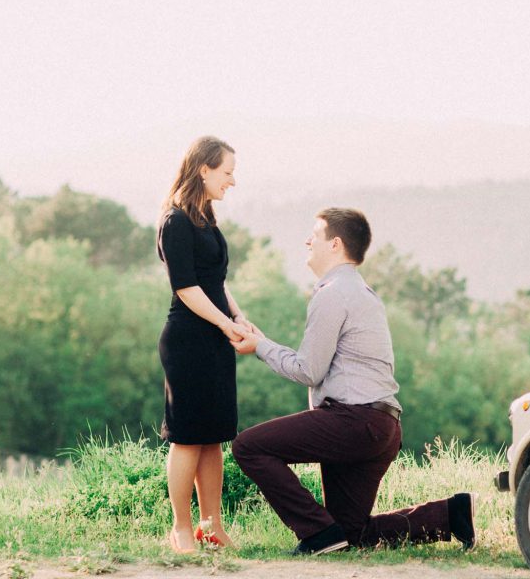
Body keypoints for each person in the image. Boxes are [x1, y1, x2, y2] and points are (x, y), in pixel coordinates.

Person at [230, 207, 475, 555]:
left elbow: (308, 371)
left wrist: (260, 346)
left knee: (249, 447)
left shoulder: (332, 293)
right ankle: (450, 515)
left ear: (335, 244)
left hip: (353, 422)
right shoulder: (360, 291)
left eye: (315, 235)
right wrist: (263, 342)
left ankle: (317, 532)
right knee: (350, 533)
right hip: (382, 425)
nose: (307, 241)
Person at [157, 136, 250, 553]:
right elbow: (187, 288)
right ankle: (180, 528)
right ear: (204, 169)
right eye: (227, 172)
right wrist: (225, 324)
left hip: (214, 339)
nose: (232, 180)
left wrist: (238, 317)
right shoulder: (175, 221)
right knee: (188, 437)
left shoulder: (205, 217)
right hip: (187, 342)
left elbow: (215, 282)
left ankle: (211, 526)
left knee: (214, 436)